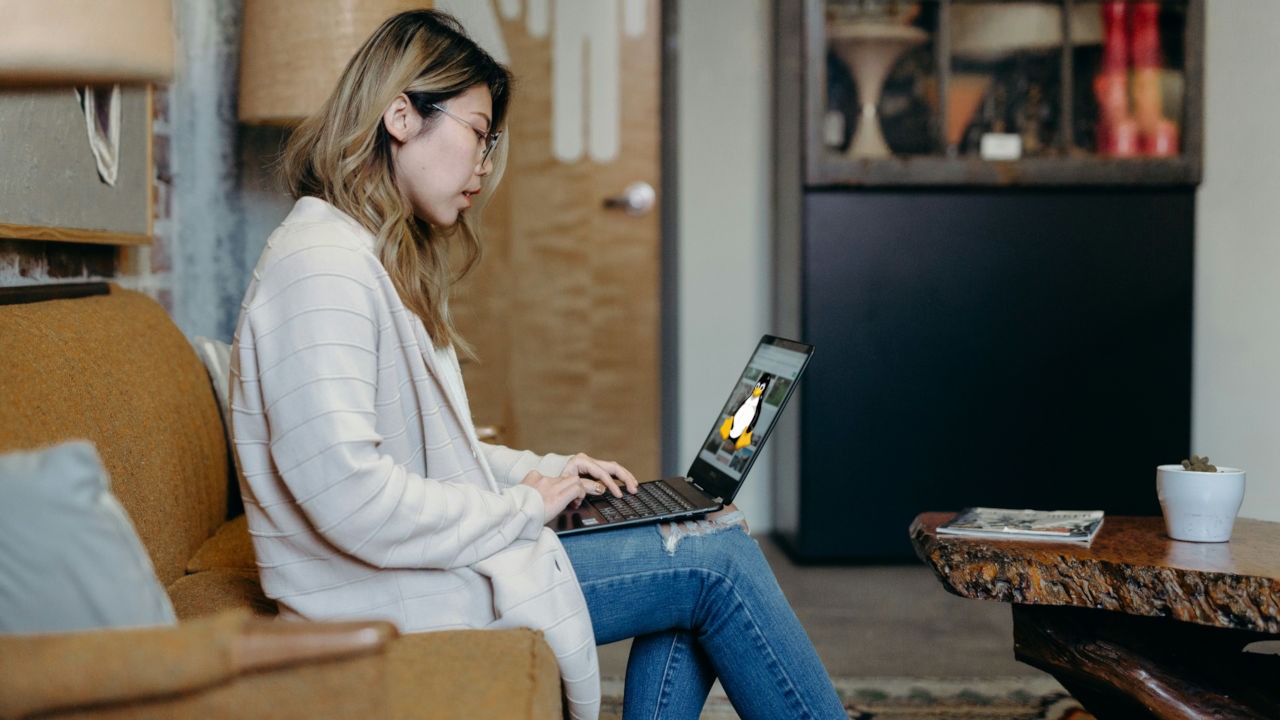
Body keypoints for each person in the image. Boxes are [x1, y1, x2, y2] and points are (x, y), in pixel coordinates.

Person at [230, 10, 846, 720]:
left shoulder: (362, 256)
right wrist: (525, 508)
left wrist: (536, 470)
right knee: (717, 558)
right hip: (392, 594)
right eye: (477, 132)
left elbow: (424, 457)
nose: (485, 164)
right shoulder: (320, 267)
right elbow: (353, 497)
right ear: (401, 116)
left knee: (708, 532)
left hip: (420, 571)